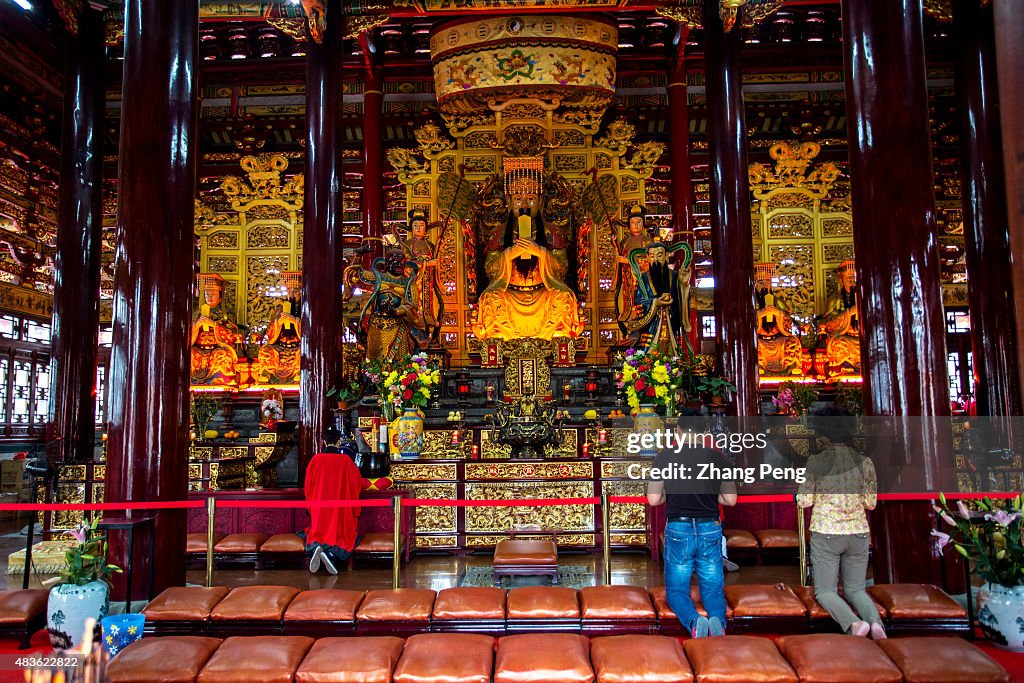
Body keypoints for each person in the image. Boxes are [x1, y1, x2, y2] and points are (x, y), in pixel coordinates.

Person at [647, 410, 737, 638]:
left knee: (677, 589)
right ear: (705, 432)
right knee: (713, 587)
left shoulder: (665, 457)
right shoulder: (718, 458)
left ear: (677, 430)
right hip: (709, 527)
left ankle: (695, 622)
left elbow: (654, 499)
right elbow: (730, 499)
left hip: (679, 528)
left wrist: (673, 494)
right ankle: (718, 622)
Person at [797, 406, 884, 639]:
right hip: (858, 532)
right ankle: (876, 624)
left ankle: (854, 624)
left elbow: (804, 500)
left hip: (826, 532)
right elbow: (871, 502)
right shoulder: (864, 462)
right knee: (856, 589)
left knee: (825, 591)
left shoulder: (817, 461)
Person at [304, 428, 363, 575]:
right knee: (344, 536)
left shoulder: (315, 460)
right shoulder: (346, 461)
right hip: (340, 509)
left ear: (324, 441)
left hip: (320, 509)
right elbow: (356, 484)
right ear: (338, 442)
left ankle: (318, 550)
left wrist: (311, 505)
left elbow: (308, 486)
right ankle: (330, 555)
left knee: (315, 532)